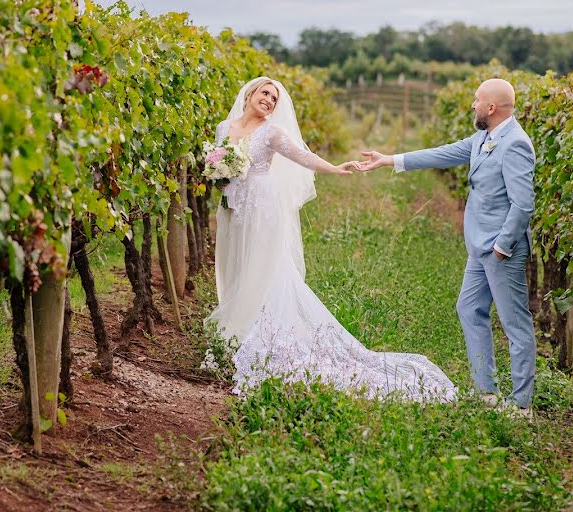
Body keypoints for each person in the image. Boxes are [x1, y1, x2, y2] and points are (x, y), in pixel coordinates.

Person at [207, 76, 456, 402]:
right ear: (250, 93)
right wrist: (218, 178)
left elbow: (302, 156)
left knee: (262, 268)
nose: (268, 100)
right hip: (232, 208)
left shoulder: (272, 132)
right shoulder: (224, 128)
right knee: (236, 264)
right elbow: (215, 164)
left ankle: (258, 338)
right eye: (265, 93)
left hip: (262, 207)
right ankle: (237, 331)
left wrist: (334, 168)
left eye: (274, 98)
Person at [358, 78, 536, 414]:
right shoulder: (483, 137)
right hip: (478, 247)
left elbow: (523, 204)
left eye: (477, 100)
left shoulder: (515, 143)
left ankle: (522, 406)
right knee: (469, 309)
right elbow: (442, 154)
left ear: (491, 107)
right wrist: (389, 160)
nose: (473, 105)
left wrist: (502, 246)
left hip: (501, 250)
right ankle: (487, 393)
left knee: (515, 325)